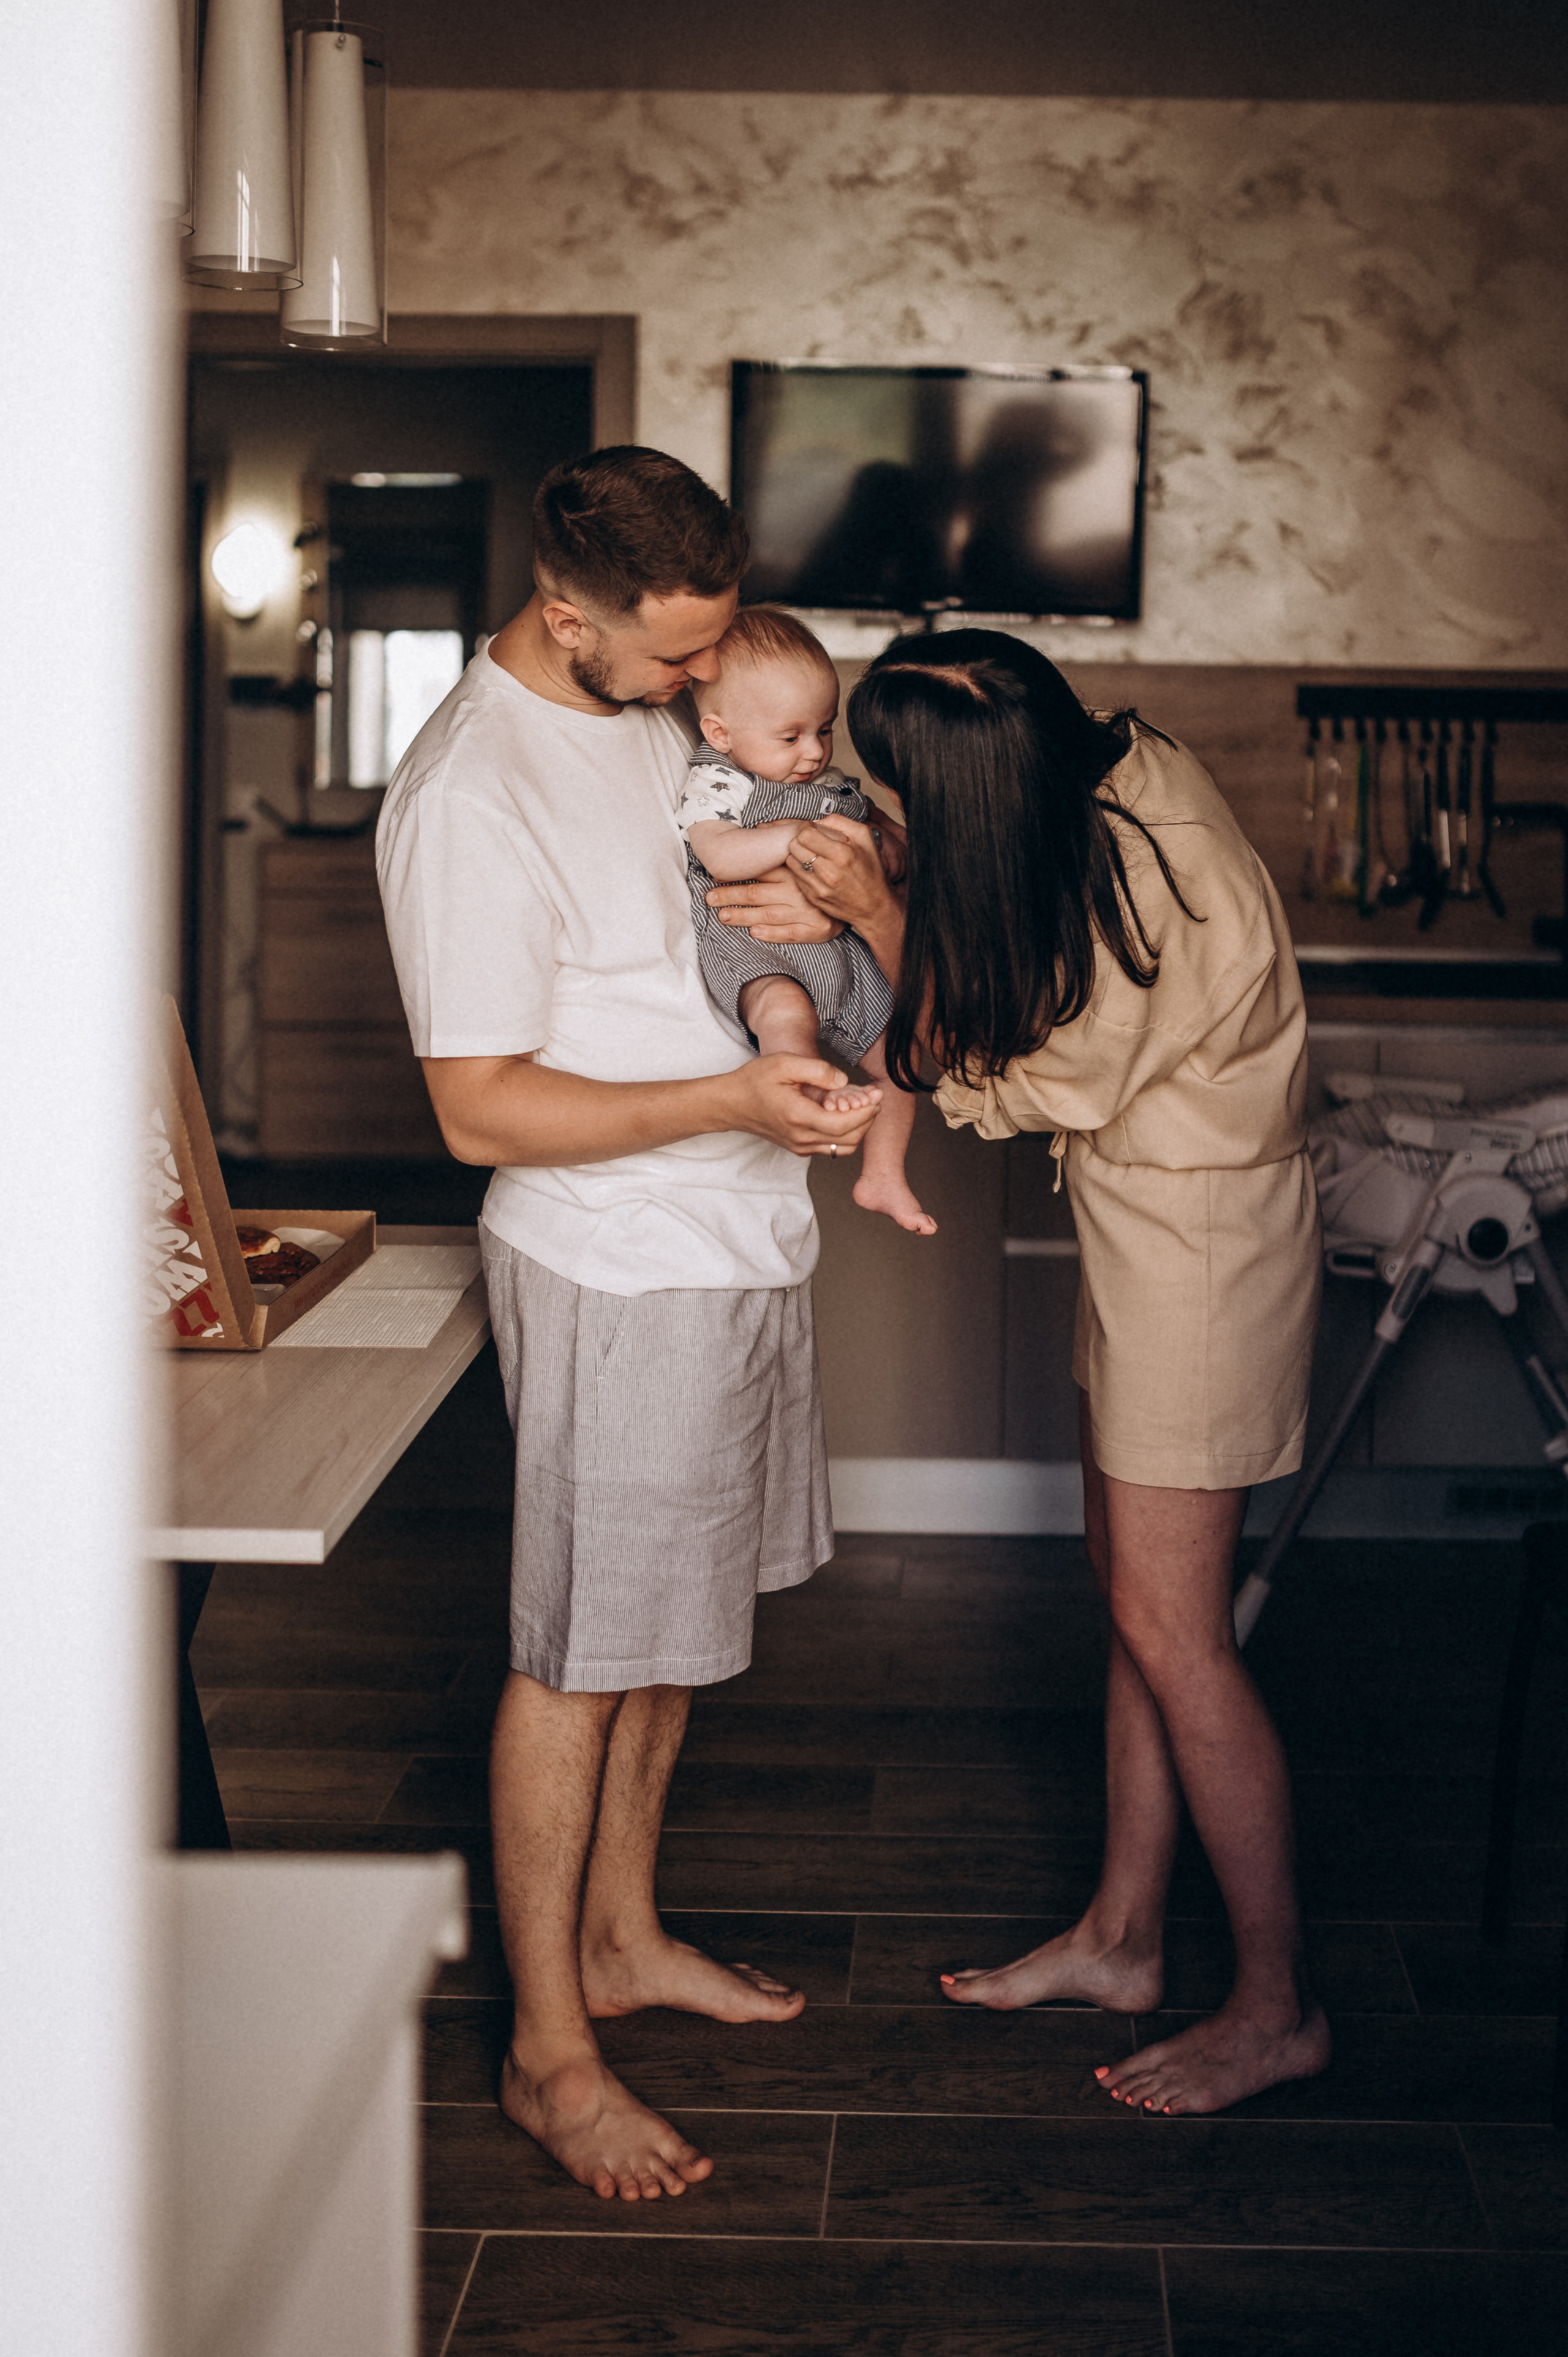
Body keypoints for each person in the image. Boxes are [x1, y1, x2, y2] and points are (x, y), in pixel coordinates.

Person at [376, 447, 881, 2202]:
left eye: (712, 642)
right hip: (611, 1257)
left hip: (737, 1239)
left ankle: (620, 1932)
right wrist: (733, 1099)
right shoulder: (469, 790)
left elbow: (728, 885)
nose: (702, 678)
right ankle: (547, 2048)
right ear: (565, 611)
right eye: (674, 652)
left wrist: (815, 905)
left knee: (664, 1628)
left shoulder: (666, 710)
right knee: (579, 1647)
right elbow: (479, 1110)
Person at [777, 629, 1331, 2117]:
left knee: (1178, 1633)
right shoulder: (1112, 769)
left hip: (1199, 1262)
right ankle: (1122, 1936)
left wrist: (882, 914)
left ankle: (1276, 2006)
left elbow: (1000, 1081)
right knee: (1137, 1601)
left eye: (911, 798)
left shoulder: (1148, 881)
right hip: (1159, 1236)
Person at [679, 604, 935, 1235]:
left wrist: (887, 852)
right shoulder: (717, 782)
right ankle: (813, 1095)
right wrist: (796, 834)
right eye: (791, 737)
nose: (815, 751)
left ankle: (883, 1175)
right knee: (785, 1017)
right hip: (762, 950)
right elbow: (719, 853)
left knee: (901, 1059)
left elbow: (897, 848)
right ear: (720, 732)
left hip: (843, 955)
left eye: (824, 729)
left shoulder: (832, 784)